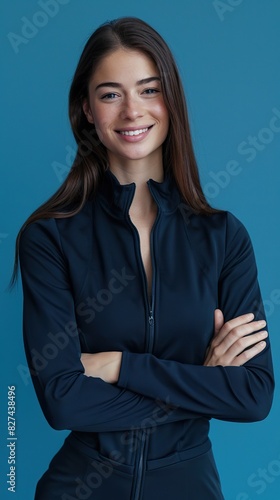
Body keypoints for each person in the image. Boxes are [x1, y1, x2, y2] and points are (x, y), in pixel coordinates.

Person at [14, 16, 274, 500]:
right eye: (111, 94)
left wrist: (118, 365)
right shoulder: (49, 237)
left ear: (171, 101)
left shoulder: (224, 237)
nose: (132, 111)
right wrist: (203, 381)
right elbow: (62, 402)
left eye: (149, 90)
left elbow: (255, 395)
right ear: (87, 110)